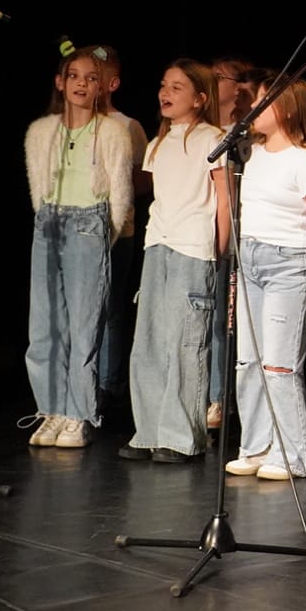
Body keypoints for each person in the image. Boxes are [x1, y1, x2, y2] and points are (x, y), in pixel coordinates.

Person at [226, 76, 306, 480]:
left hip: (288, 264)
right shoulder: (253, 153)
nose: (254, 109)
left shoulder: (305, 160)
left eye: (264, 101)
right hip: (250, 259)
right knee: (248, 361)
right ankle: (257, 446)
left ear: (288, 109)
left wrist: (303, 250)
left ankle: (292, 456)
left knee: (279, 365)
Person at [20, 46, 134, 448]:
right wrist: (48, 220)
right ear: (60, 82)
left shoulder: (112, 131)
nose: (81, 84)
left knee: (84, 325)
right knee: (44, 325)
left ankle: (78, 413)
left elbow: (120, 194)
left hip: (90, 222)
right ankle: (51, 408)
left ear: (101, 86)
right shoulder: (41, 131)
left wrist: (102, 234)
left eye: (91, 78)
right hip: (49, 222)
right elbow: (38, 187)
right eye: (74, 76)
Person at [119, 61, 229, 462]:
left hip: (193, 248)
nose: (166, 93)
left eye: (177, 87)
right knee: (149, 340)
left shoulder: (213, 139)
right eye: (164, 85)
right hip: (158, 245)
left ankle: (182, 436)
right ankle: (149, 431)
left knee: (186, 343)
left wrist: (219, 251)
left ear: (199, 98)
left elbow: (224, 201)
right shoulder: (158, 143)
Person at [89, 45, 149, 428]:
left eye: (95, 77)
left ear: (112, 83)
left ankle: (109, 386)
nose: (87, 85)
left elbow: (145, 179)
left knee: (110, 309)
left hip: (116, 231)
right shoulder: (70, 124)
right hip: (78, 231)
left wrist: (116, 182)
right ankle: (81, 381)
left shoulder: (128, 126)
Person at [204, 56, 258, 433]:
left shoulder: (246, 133)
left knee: (224, 320)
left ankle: (220, 398)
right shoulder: (201, 129)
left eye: (218, 77)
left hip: (232, 234)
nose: (210, 82)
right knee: (204, 319)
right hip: (196, 231)